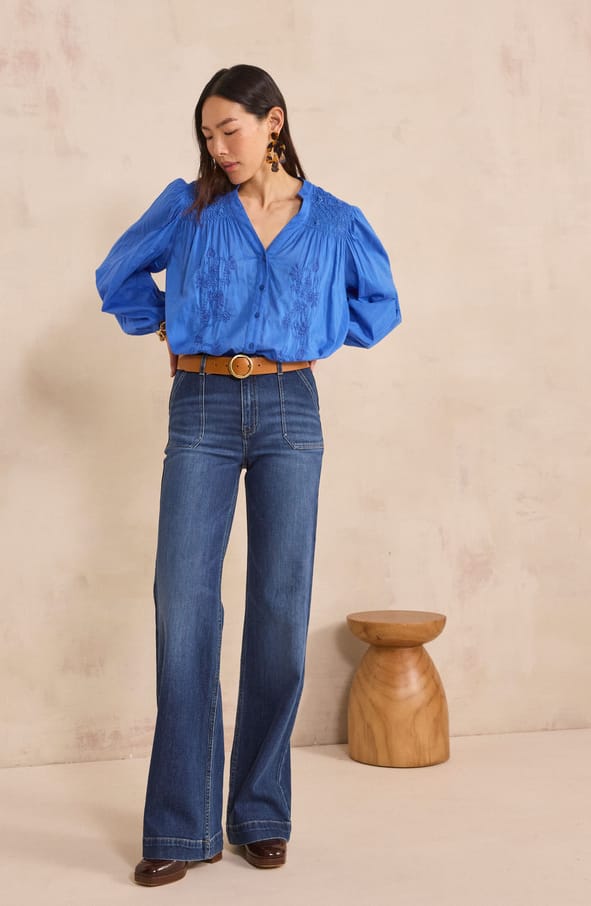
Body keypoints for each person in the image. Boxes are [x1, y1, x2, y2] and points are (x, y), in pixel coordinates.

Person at [96, 64, 401, 887]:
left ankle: (261, 813)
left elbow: (379, 308)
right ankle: (180, 825)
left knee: (278, 608)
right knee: (184, 604)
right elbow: (117, 275)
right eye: (207, 135)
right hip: (199, 405)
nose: (218, 147)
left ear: (273, 123)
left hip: (290, 409)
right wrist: (171, 324)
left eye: (229, 129)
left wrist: (305, 328)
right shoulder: (188, 209)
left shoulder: (334, 221)